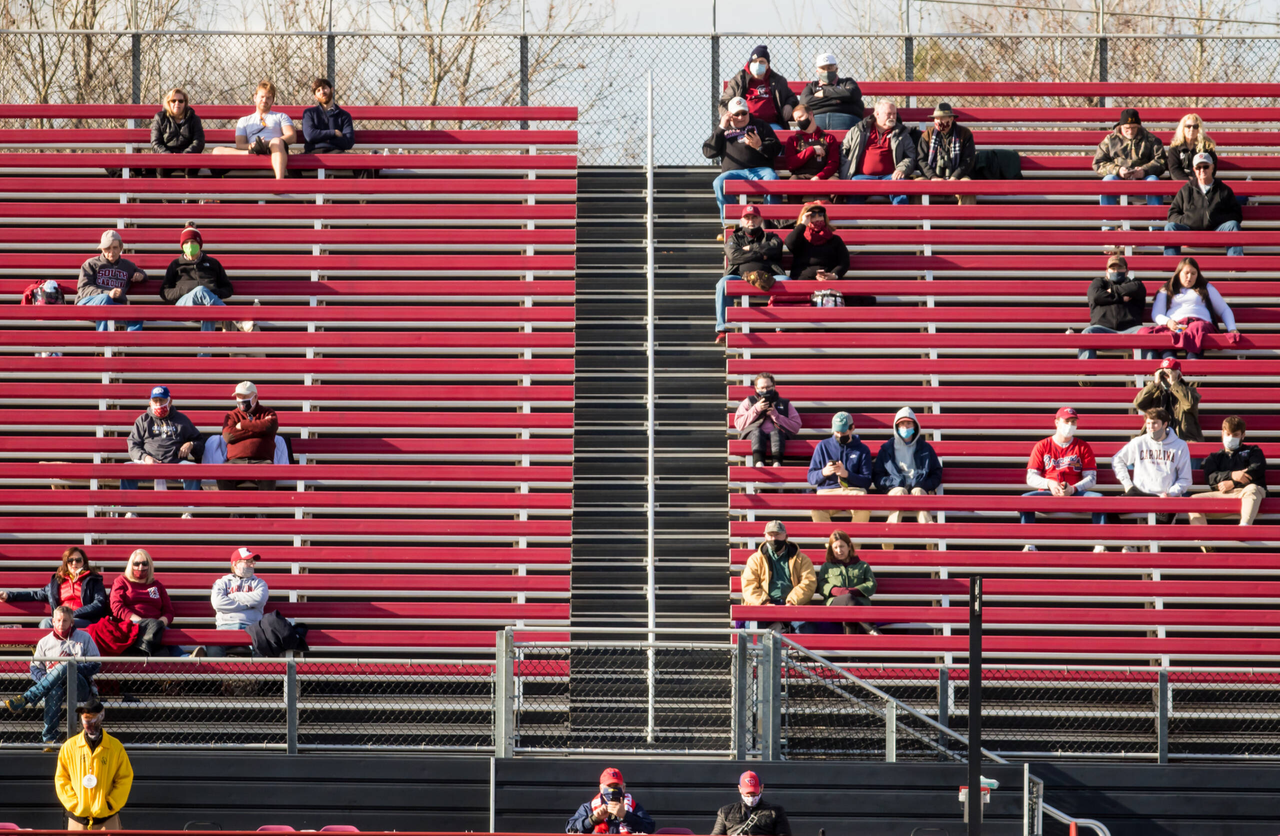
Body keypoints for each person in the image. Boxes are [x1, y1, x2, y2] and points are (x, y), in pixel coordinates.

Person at [4, 606, 102, 749]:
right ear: (53, 621)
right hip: (53, 688)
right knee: (53, 689)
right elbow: (35, 668)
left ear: (72, 622)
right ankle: (49, 740)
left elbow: (96, 664)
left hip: (79, 686)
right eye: (58, 620)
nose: (61, 623)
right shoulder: (44, 642)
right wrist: (49, 679)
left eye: (65, 620)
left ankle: (27, 698)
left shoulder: (84, 638)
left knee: (66, 666)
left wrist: (72, 668)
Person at [1021, 407, 1107, 552]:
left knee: (1100, 499)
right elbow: (1031, 477)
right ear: (1056, 422)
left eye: (1073, 422)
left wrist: (1074, 488)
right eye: (1066, 421)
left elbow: (1091, 478)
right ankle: (1029, 544)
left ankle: (1100, 544)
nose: (1070, 425)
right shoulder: (1042, 445)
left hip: (1075, 493)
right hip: (1048, 493)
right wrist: (1049, 483)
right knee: (1025, 499)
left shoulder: (1083, 447)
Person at [1136, 257, 1238, 360]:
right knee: (1145, 332)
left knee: (1195, 328)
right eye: (1186, 273)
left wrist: (1232, 329)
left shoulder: (1206, 288)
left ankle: (1193, 362)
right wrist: (1168, 322)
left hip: (1199, 325)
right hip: (1174, 327)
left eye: (1193, 274)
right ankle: (1170, 362)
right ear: (1179, 272)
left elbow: (1224, 309)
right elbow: (1157, 314)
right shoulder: (1167, 289)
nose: (1189, 277)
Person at [703, 97, 782, 226]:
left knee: (772, 179)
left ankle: (772, 223)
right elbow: (708, 152)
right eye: (736, 114)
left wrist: (760, 145)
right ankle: (730, 223)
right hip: (734, 172)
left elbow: (776, 148)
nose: (741, 117)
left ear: (748, 112)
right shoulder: (723, 130)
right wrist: (721, 127)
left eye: (744, 113)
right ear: (729, 115)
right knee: (719, 182)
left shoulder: (760, 125)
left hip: (760, 169)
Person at [54, 700, 133, 830]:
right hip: (78, 817)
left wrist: (110, 804)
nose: (87, 725)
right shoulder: (70, 747)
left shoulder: (115, 747)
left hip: (107, 817)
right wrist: (75, 804)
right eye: (85, 720)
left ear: (101, 716)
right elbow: (61, 779)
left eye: (91, 720)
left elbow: (125, 778)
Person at [1111, 408, 1191, 531]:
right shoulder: (1139, 442)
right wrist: (1127, 484)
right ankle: (1128, 544)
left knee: (1158, 532)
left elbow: (1185, 479)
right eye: (1148, 423)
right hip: (1138, 493)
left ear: (1165, 424)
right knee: (1107, 508)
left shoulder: (1180, 445)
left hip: (1164, 497)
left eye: (1154, 423)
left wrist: (1171, 493)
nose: (1151, 427)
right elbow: (1117, 460)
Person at [872, 406, 942, 547]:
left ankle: (930, 541)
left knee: (918, 492)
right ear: (896, 426)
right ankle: (889, 541)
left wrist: (925, 485)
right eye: (902, 424)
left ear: (915, 426)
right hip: (896, 487)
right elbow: (877, 475)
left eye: (908, 423)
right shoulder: (887, 449)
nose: (905, 427)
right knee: (899, 492)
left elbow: (936, 473)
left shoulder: (925, 448)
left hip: (918, 486)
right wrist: (891, 483)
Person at [715, 204, 786, 342]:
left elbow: (775, 248)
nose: (750, 221)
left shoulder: (771, 236)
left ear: (760, 220)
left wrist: (750, 248)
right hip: (740, 277)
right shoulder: (734, 238)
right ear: (741, 221)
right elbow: (734, 257)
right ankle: (723, 329)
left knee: (786, 281)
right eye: (747, 218)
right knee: (723, 283)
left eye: (754, 217)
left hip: (770, 276)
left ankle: (781, 327)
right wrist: (761, 254)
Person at [1188, 415, 1267, 529]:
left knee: (1253, 488)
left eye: (1235, 435)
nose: (1231, 438)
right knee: (1193, 501)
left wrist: (1232, 483)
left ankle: (1244, 528)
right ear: (1222, 434)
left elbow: (1256, 469)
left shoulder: (1253, 451)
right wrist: (1232, 475)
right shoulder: (1215, 457)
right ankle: (1204, 542)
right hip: (1224, 495)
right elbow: (1211, 477)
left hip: (1250, 495)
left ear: (1243, 435)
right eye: (1228, 434)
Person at [0, 547, 108, 629]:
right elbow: (35, 595)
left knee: (64, 625)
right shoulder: (57, 582)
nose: (74, 563)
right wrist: (9, 596)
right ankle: (48, 658)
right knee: (45, 623)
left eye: (78, 560)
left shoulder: (93, 581)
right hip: (60, 620)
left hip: (83, 620)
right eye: (71, 560)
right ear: (66, 563)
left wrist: (72, 614)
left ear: (83, 562)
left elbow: (99, 603)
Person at [740, 521, 817, 632]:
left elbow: (809, 582)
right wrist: (764, 603)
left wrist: (792, 602)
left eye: (777, 535)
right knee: (752, 629)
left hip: (793, 605)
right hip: (764, 605)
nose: (773, 538)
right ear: (765, 536)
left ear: (786, 536)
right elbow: (749, 586)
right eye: (770, 535)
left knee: (805, 628)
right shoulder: (755, 559)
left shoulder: (802, 559)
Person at [1163, 152, 1244, 257]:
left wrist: (1215, 218)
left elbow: (1236, 214)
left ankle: (1236, 266)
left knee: (1233, 225)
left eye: (1205, 166)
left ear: (1212, 167)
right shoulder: (1186, 189)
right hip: (1190, 231)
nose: (1202, 170)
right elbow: (1172, 214)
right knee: (1170, 227)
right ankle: (1171, 267)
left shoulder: (1224, 190)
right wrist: (1188, 220)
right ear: (1194, 170)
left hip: (1216, 231)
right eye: (1198, 167)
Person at [159, 223, 233, 338]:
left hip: (207, 304)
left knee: (209, 309)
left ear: (199, 244)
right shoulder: (176, 265)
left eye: (193, 242)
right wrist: (184, 290)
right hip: (183, 305)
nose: (190, 245)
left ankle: (204, 355)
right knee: (200, 290)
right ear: (182, 246)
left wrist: (213, 293)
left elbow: (228, 289)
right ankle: (231, 317)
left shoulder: (213, 263)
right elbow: (164, 292)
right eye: (186, 243)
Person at [124, 386, 202, 493]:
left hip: (175, 464)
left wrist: (191, 444)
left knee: (194, 470)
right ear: (150, 403)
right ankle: (128, 508)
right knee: (126, 469)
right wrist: (145, 457)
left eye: (162, 400)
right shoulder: (143, 420)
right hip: (148, 465)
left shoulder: (181, 420)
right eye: (155, 401)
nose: (158, 404)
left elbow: (200, 442)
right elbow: (133, 445)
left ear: (170, 402)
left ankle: (191, 508)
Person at [212, 80, 295, 180]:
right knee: (217, 151)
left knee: (276, 141)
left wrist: (268, 143)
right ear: (255, 98)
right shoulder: (244, 120)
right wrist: (252, 146)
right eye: (262, 97)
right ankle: (251, 152)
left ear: (273, 100)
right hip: (252, 151)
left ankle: (279, 182)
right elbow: (240, 144)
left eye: (269, 98)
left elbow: (292, 136)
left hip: (274, 149)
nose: (265, 100)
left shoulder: (281, 116)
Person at [839, 99, 916, 206]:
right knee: (854, 186)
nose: (892, 117)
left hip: (890, 177)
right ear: (877, 114)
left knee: (900, 184)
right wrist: (848, 170)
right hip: (862, 177)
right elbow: (843, 151)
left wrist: (902, 168)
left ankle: (902, 220)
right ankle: (854, 221)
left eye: (894, 114)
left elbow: (910, 156)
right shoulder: (859, 130)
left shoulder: (901, 133)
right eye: (888, 114)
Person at [1093, 108, 1166, 220]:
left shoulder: (1151, 140)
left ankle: (1156, 226)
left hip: (1143, 180)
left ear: (1139, 126)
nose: (1130, 131)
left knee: (1154, 181)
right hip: (1118, 179)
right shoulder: (1110, 140)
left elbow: (1161, 161)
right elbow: (1098, 163)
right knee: (1108, 181)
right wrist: (1118, 170)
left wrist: (1144, 170)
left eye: (1134, 128)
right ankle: (1108, 227)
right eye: (1127, 128)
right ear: (1121, 126)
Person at [808, 412, 874, 532]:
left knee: (864, 504)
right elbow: (811, 478)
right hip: (828, 491)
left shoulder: (862, 449)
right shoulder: (823, 446)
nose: (839, 435)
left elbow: (867, 481)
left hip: (853, 491)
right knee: (816, 508)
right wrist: (824, 472)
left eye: (843, 432)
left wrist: (847, 474)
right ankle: (832, 548)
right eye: (836, 432)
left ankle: (853, 547)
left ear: (852, 428)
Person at [1077, 253, 1147, 361]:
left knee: (1146, 333)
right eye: (1113, 268)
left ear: (1127, 271)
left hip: (1131, 330)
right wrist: (1120, 298)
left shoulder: (1135, 284)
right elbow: (1096, 295)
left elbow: (1136, 288)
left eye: (1120, 268)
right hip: (1102, 329)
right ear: (1107, 271)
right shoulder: (1098, 283)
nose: (1116, 271)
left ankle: (1150, 375)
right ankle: (1086, 376)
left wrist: (1113, 291)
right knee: (1087, 333)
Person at [110, 549, 178, 656]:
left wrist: (160, 623)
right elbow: (116, 606)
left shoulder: (157, 585)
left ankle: (187, 658)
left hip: (156, 625)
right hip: (131, 624)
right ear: (130, 565)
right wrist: (141, 622)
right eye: (136, 564)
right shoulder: (122, 581)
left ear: (149, 565)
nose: (140, 567)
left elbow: (169, 611)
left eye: (144, 563)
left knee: (170, 635)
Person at [75, 230, 147, 333]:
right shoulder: (91, 264)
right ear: (102, 249)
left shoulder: (127, 266)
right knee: (105, 299)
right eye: (107, 248)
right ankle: (103, 341)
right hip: (87, 304)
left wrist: (141, 275)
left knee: (136, 314)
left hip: (112, 306)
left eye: (115, 248)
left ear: (121, 248)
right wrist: (108, 293)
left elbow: (142, 273)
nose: (111, 252)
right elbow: (83, 289)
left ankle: (129, 346)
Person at [205, 547, 269, 657]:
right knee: (213, 644)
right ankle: (218, 674)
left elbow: (259, 599)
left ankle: (257, 675)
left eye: (252, 562)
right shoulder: (222, 582)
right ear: (235, 564)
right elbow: (218, 603)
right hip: (225, 627)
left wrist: (233, 596)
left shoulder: (259, 583)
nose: (252, 565)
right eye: (247, 562)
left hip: (252, 628)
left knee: (263, 644)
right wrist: (248, 605)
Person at [217, 381, 279, 492]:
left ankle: (264, 509)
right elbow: (229, 436)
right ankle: (232, 510)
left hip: (262, 462)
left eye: (245, 396)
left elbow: (270, 426)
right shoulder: (231, 415)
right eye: (238, 396)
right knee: (222, 474)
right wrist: (259, 429)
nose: (241, 399)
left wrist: (243, 425)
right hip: (235, 462)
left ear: (255, 397)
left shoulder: (268, 412)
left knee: (269, 474)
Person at [815, 530, 879, 635]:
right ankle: (871, 629)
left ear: (849, 546)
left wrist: (854, 591)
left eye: (842, 546)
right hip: (834, 606)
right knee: (848, 599)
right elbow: (821, 586)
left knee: (850, 604)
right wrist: (838, 591)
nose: (839, 551)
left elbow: (872, 584)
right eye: (835, 548)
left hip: (859, 604)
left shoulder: (863, 565)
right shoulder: (826, 566)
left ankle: (850, 643)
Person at [719, 45, 797, 130]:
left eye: (762, 62)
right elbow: (723, 102)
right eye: (754, 61)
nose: (758, 64)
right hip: (744, 124)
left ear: (767, 65)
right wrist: (731, 116)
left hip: (772, 125)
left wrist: (789, 105)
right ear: (749, 63)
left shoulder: (777, 81)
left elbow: (792, 97)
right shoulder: (739, 81)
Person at [734, 373, 802, 467]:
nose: (765, 390)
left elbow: (796, 427)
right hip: (754, 436)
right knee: (757, 431)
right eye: (762, 388)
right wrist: (756, 409)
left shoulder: (784, 403)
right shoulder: (749, 401)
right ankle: (758, 462)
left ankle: (777, 463)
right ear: (756, 388)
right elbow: (739, 425)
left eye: (768, 387)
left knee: (777, 432)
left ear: (774, 386)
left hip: (778, 437)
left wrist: (776, 416)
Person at [915, 102, 977, 205]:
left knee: (968, 185)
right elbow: (921, 160)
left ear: (951, 119)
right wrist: (933, 177)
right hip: (932, 177)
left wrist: (955, 176)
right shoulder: (927, 135)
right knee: (916, 185)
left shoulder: (965, 134)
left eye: (942, 118)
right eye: (936, 119)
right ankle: (916, 219)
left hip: (958, 176)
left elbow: (968, 160)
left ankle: (966, 219)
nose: (939, 121)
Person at [566, 767, 656, 834]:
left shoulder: (634, 806)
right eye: (609, 786)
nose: (613, 790)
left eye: (616, 786)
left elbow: (649, 828)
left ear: (623, 788)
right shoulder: (588, 807)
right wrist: (593, 819)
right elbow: (570, 828)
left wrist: (625, 816)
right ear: (601, 788)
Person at [1133, 358, 1203, 442]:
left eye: (1169, 374)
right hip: (1157, 440)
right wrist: (1155, 384)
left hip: (1182, 439)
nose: (1165, 377)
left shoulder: (1189, 391)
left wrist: (1174, 384)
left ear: (1179, 376)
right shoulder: (1155, 392)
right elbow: (1138, 403)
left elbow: (1189, 405)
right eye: (1163, 374)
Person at [779, 102, 840, 196]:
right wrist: (811, 150)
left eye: (801, 117)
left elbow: (833, 163)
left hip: (824, 176)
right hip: (801, 176)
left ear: (810, 114)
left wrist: (819, 177)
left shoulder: (829, 138)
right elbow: (791, 165)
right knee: (792, 182)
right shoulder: (793, 139)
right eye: (796, 119)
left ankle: (836, 210)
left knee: (836, 184)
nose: (799, 121)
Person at [711, 771, 792, 836]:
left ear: (762, 788)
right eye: (748, 794)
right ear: (740, 789)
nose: (751, 797)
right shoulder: (725, 812)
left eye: (754, 794)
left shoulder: (775, 811)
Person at [798, 52, 864, 131]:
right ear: (817, 71)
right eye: (823, 69)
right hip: (817, 119)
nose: (826, 71)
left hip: (845, 118)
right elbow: (805, 102)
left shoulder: (846, 82)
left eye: (829, 68)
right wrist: (836, 100)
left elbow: (853, 93)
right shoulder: (812, 87)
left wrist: (824, 93)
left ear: (836, 69)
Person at [149, 86, 205, 177]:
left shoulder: (194, 119)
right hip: (166, 157)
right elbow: (156, 142)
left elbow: (199, 142)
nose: (177, 103)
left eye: (180, 101)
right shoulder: (160, 118)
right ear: (168, 103)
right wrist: (167, 155)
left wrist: (185, 155)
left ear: (185, 103)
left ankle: (190, 190)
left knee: (192, 166)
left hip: (188, 157)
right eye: (173, 101)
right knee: (161, 166)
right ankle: (163, 190)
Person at [784, 202, 848, 280]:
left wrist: (834, 275)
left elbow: (844, 262)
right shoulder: (800, 238)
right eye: (812, 215)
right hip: (803, 280)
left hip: (828, 281)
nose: (817, 218)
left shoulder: (835, 239)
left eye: (820, 214)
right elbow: (789, 243)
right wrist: (804, 223)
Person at [302, 77, 356, 153]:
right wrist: (334, 133)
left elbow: (349, 142)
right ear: (315, 96)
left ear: (332, 89)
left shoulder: (344, 115)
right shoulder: (309, 113)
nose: (322, 92)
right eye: (318, 90)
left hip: (337, 153)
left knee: (355, 162)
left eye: (324, 88)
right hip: (313, 153)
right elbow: (310, 136)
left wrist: (322, 139)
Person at [1167, 114, 1217, 182]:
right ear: (1183, 128)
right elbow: (1174, 170)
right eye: (1188, 126)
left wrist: (1197, 182)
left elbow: (1211, 168)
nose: (1192, 129)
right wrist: (1188, 183)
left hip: (1201, 183)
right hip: (1180, 183)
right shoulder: (1175, 147)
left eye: (1195, 126)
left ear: (1199, 129)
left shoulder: (1207, 147)